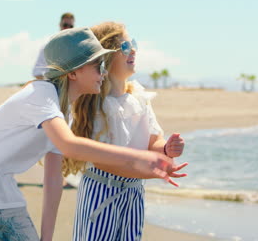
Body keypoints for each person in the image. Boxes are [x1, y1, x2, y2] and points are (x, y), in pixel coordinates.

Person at [0, 27, 186, 241]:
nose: (103, 71)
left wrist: (47, 237)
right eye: (97, 65)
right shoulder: (41, 94)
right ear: (73, 73)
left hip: (4, 193)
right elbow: (70, 146)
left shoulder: (63, 113)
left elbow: (54, 180)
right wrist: (138, 159)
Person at [66, 22, 187, 241]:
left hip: (134, 193)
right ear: (105, 58)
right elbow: (103, 161)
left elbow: (154, 140)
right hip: (101, 191)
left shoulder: (139, 98)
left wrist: (166, 149)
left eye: (133, 44)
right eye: (124, 47)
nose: (133, 50)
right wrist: (150, 170)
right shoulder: (95, 104)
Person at [32, 12, 75, 79]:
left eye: (71, 26)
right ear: (60, 25)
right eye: (65, 25)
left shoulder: (76, 48)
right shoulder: (47, 47)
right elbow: (37, 72)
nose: (67, 28)